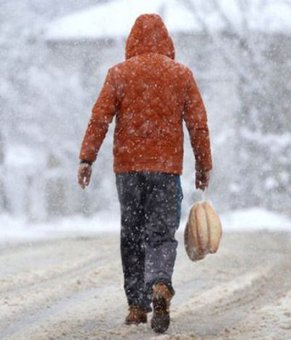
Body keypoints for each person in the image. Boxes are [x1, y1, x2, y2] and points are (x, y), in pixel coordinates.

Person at [77, 13, 212, 334]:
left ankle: (137, 305)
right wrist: (203, 165)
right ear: (167, 42)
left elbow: (99, 119)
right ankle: (160, 284)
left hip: (129, 168)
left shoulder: (119, 74)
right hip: (166, 170)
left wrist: (86, 158)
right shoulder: (181, 75)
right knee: (161, 234)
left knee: (132, 233)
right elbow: (198, 124)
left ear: (132, 42)